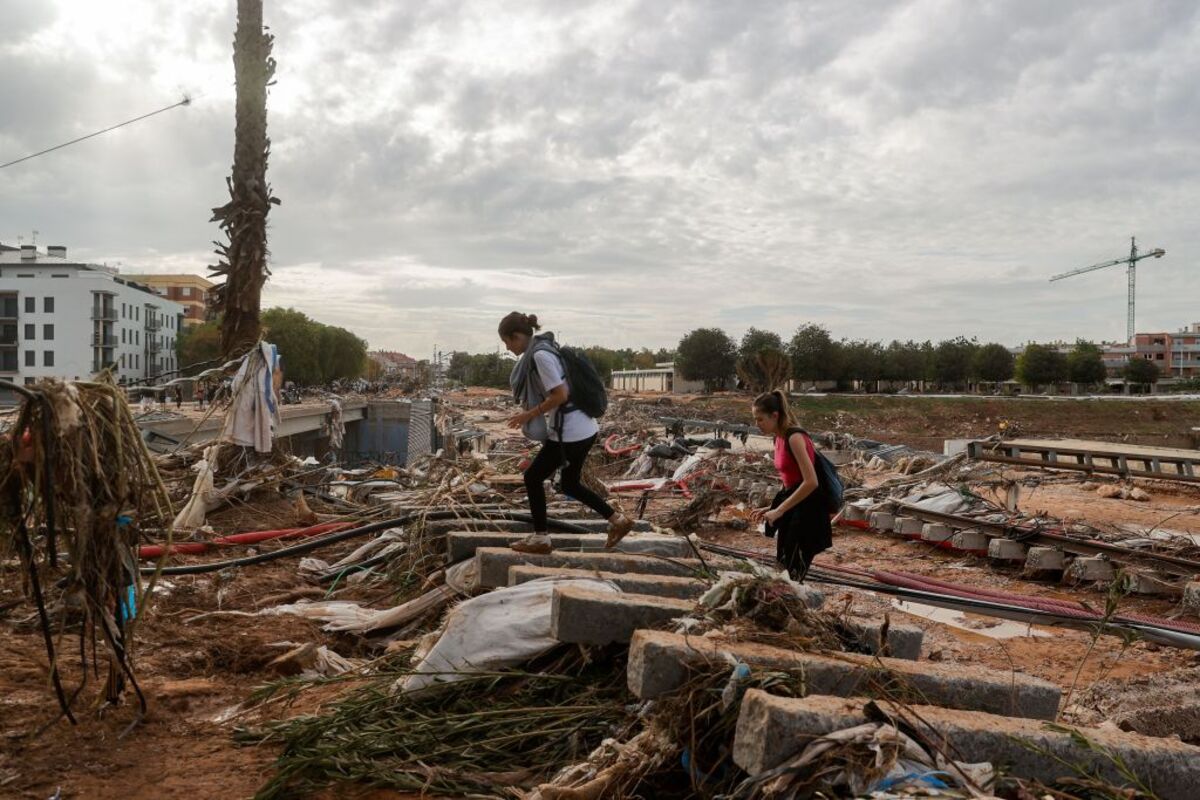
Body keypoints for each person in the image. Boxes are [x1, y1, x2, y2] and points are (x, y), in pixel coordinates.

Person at [499, 311, 634, 554]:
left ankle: (541, 539)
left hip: (570, 432)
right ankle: (618, 520)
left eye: (507, 342)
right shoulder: (546, 348)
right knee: (570, 484)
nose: (508, 348)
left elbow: (561, 394)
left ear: (517, 336)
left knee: (532, 478)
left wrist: (528, 415)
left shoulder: (540, 355)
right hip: (584, 428)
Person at [749, 389, 832, 581]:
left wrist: (779, 511)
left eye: (760, 419)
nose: (757, 424)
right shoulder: (778, 438)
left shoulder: (794, 438)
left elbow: (811, 482)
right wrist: (772, 507)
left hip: (809, 510)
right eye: (755, 419)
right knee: (784, 566)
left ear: (775, 415)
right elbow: (790, 480)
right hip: (793, 507)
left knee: (792, 572)